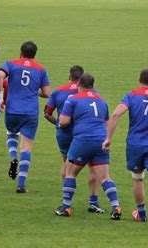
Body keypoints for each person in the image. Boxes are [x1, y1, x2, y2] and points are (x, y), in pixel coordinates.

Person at [102, 68, 148, 231]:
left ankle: (141, 214)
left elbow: (115, 114)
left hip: (135, 144)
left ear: (139, 80)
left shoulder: (131, 95)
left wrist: (108, 138)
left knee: (137, 178)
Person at [54, 73, 121, 220]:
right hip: (101, 141)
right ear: (93, 85)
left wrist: (64, 122)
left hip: (83, 140)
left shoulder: (72, 99)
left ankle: (66, 207)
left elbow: (64, 121)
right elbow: (106, 121)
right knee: (104, 177)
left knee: (70, 172)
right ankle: (116, 207)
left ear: (78, 85)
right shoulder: (102, 101)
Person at [44, 65, 105, 214]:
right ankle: (93, 202)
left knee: (67, 163)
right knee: (93, 165)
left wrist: (58, 124)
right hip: (86, 134)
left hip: (65, 133)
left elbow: (47, 113)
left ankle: (66, 201)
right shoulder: (93, 93)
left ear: (69, 76)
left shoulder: (58, 91)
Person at [0, 41, 50, 193]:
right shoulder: (40, 69)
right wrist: (34, 91)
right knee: (26, 147)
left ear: (20, 52)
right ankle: (21, 185)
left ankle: (13, 157)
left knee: (11, 132)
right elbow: (47, 93)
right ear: (34, 54)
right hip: (31, 112)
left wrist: (0, 98)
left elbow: (0, 76)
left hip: (13, 110)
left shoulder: (11, 63)